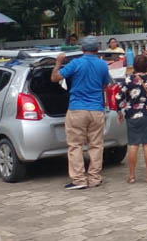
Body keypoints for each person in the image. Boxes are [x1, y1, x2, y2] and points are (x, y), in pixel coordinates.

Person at [51, 36, 112, 190]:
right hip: (97, 110)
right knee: (96, 145)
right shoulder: (103, 65)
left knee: (75, 145)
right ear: (97, 49)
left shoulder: (76, 63)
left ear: (82, 49)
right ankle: (94, 178)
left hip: (77, 109)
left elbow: (54, 78)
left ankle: (79, 180)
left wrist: (58, 62)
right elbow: (105, 84)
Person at [115, 55, 147, 184]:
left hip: (132, 115)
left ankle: (131, 176)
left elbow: (119, 97)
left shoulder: (128, 80)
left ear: (134, 66)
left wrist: (119, 111)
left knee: (133, 145)